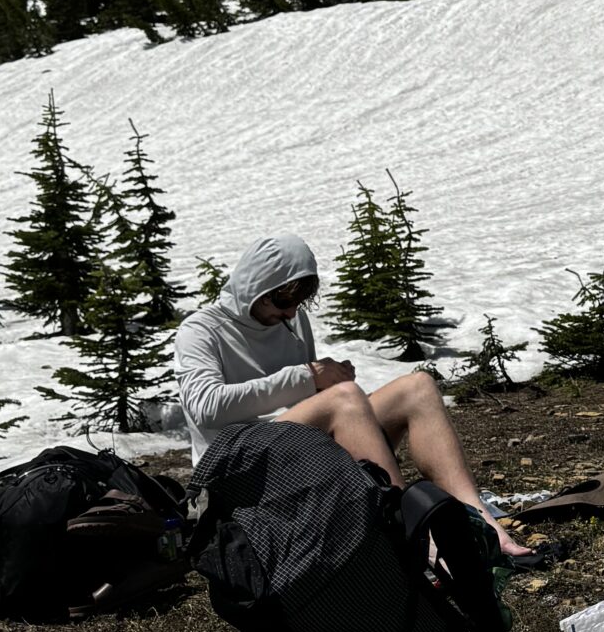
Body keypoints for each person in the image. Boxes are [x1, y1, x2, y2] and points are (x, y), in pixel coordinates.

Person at [173, 234, 536, 557]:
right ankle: (414, 536)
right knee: (345, 399)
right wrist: (308, 378)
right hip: (235, 469)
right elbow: (207, 407)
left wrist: (327, 384)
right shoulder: (201, 330)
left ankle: (480, 521)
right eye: (281, 302)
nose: (289, 312)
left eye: (297, 303)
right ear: (254, 287)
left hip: (292, 449)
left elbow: (303, 397)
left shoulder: (291, 321)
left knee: (417, 387)